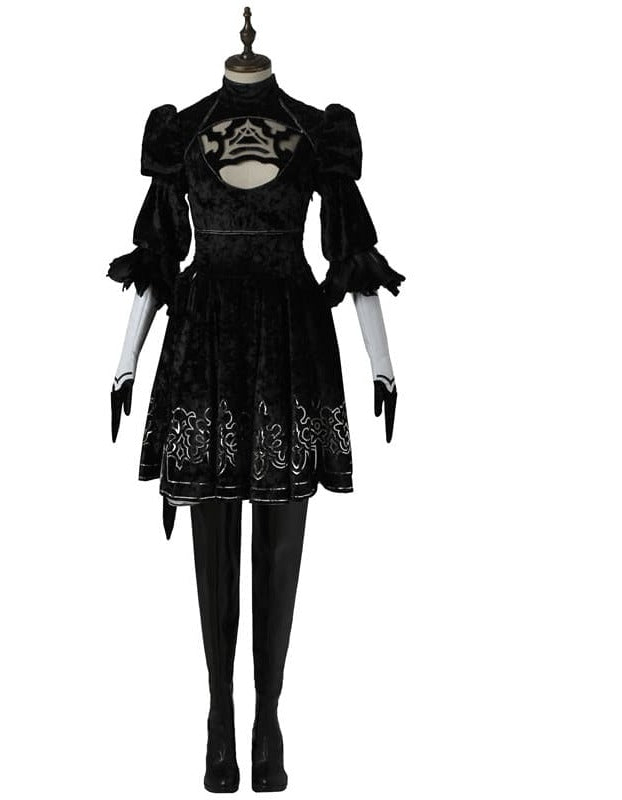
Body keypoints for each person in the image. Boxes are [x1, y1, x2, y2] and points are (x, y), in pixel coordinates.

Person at [108, 64, 404, 792]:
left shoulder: (315, 131)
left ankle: (266, 719)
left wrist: (383, 363)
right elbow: (158, 258)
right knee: (213, 535)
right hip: (206, 341)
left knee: (279, 537)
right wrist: (124, 361)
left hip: (288, 340)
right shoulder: (183, 132)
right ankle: (220, 717)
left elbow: (350, 253)